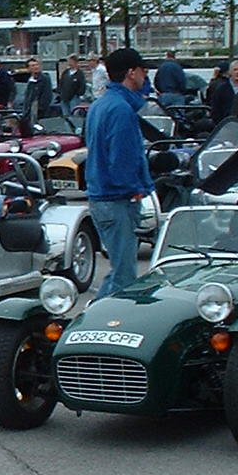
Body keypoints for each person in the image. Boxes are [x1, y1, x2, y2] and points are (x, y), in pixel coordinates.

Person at [84, 48, 155, 299]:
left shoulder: (99, 104)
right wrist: (134, 188)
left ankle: (94, 316)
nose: (146, 76)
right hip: (116, 199)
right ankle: (102, 325)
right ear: (131, 72)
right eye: (143, 70)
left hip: (100, 197)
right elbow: (122, 158)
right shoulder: (122, 110)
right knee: (125, 275)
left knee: (118, 270)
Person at [209, 58, 238, 127]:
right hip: (226, 125)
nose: (237, 72)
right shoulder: (221, 89)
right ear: (230, 72)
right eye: (235, 70)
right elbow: (215, 109)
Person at [16, 57, 53, 127]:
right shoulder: (30, 81)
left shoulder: (45, 79)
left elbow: (47, 96)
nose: (36, 67)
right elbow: (27, 97)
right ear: (28, 69)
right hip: (29, 112)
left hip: (41, 113)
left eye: (36, 65)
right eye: (32, 66)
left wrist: (40, 108)